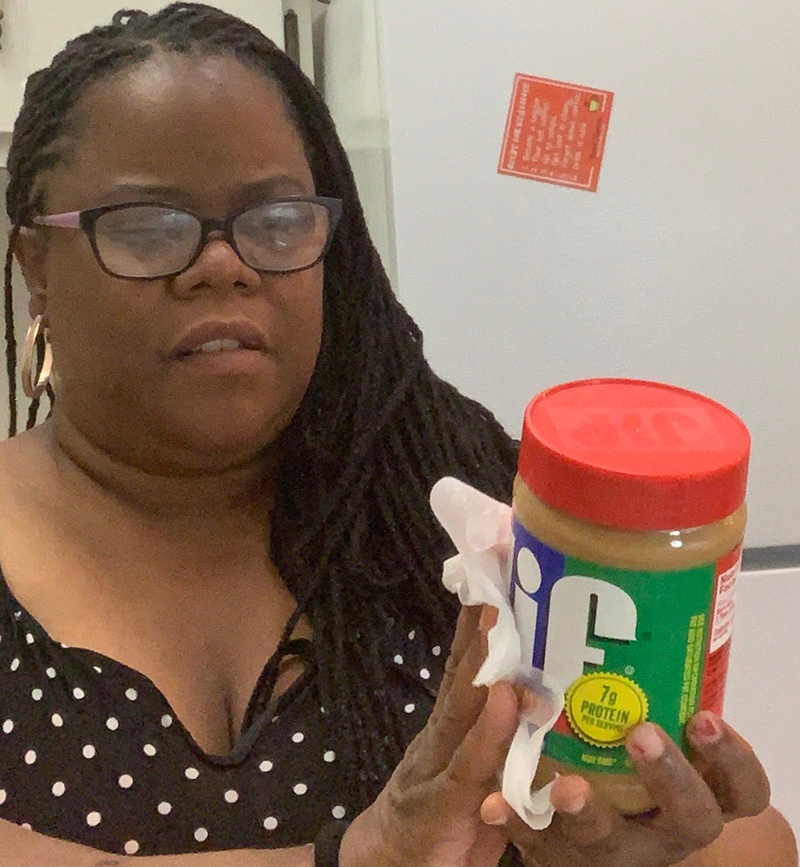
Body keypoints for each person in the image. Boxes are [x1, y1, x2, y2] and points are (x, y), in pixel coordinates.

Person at [0, 4, 794, 866]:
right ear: (35, 264)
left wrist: (642, 849)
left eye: (276, 223)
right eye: (148, 227)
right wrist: (364, 856)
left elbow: (758, 842)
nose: (224, 264)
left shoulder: (462, 513)